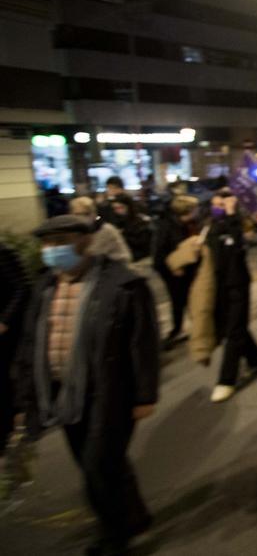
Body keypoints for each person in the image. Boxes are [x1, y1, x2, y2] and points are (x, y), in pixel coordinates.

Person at [14, 215, 158, 555]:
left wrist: (144, 395)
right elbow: (31, 343)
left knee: (97, 466)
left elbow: (143, 344)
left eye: (60, 241)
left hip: (110, 394)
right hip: (66, 396)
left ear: (86, 242)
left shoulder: (123, 285)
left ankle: (113, 535)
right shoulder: (45, 287)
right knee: (105, 463)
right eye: (47, 244)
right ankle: (135, 516)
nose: (52, 250)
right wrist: (26, 398)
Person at [169, 191, 257, 403]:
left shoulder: (236, 224)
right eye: (216, 204)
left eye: (223, 204)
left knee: (235, 331)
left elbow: (238, 247)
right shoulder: (208, 227)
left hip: (238, 284)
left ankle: (226, 380)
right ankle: (255, 358)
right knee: (231, 326)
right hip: (216, 285)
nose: (219, 207)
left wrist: (231, 215)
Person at [153, 194, 202, 347]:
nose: (197, 211)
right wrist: (173, 269)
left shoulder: (191, 224)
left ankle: (195, 327)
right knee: (178, 300)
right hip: (172, 272)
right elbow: (158, 253)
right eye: (195, 209)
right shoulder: (166, 226)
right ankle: (176, 331)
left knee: (190, 299)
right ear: (188, 211)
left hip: (188, 269)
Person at [0, 241, 30, 458]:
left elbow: (22, 287)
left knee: (13, 373)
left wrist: (5, 320)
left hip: (9, 329)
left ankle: (18, 420)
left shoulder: (2, 251)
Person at [70, 196, 132, 263]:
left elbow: (90, 255)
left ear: (94, 213)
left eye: (86, 214)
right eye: (77, 214)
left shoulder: (106, 230)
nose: (81, 218)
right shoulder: (76, 232)